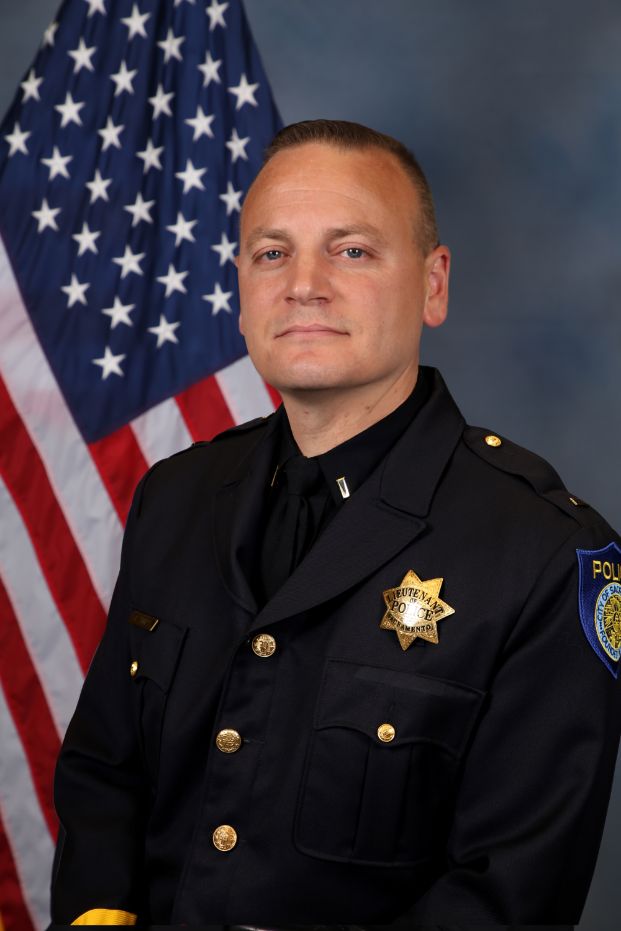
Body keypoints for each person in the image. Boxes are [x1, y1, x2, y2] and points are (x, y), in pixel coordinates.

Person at [50, 120, 621, 928]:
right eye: (271, 252)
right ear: (240, 287)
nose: (303, 284)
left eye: (351, 250)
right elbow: (104, 773)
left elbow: (506, 895)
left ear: (432, 285)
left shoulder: (541, 553)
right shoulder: (174, 498)